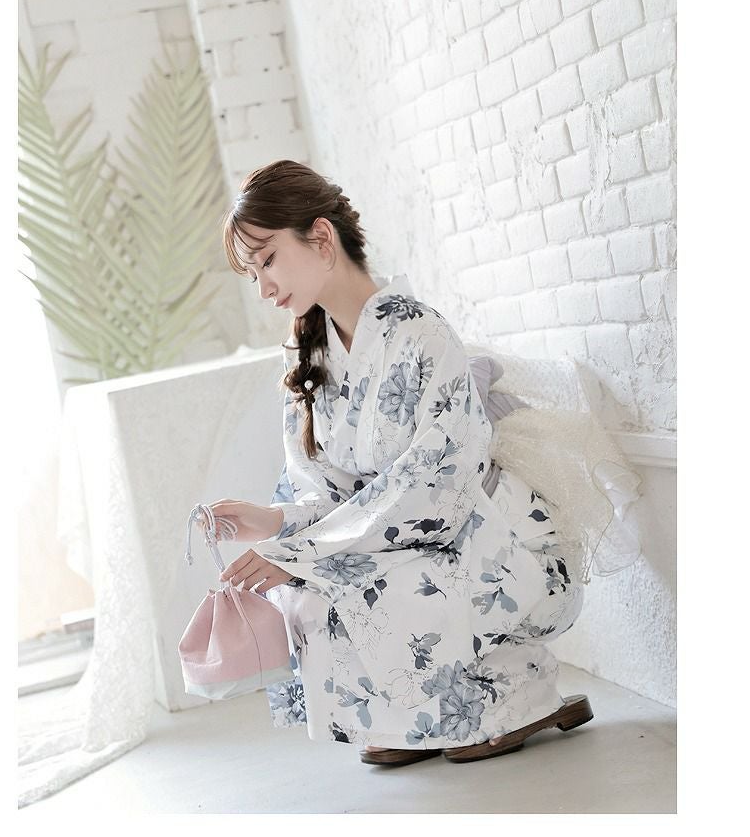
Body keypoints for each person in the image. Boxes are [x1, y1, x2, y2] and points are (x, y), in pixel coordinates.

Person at [203, 159, 592, 766]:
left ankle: (511, 695)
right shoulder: (309, 354)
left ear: (321, 237)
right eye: (253, 274)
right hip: (401, 536)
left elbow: (434, 485)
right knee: (309, 596)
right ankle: (419, 718)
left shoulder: (421, 334)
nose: (264, 289)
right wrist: (273, 521)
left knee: (351, 586)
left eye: (269, 260)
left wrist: (301, 552)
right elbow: (330, 491)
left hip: (485, 534)